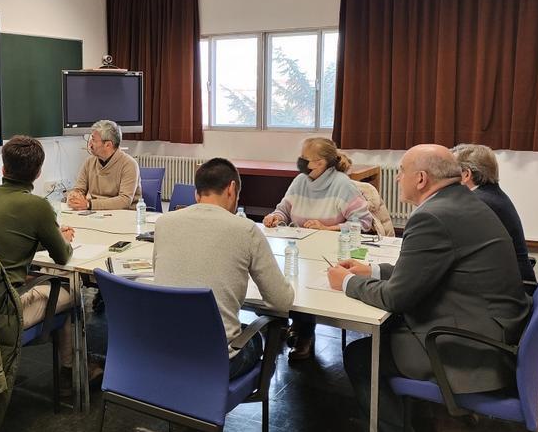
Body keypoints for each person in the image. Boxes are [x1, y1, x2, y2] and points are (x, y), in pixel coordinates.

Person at [327, 144, 531, 432]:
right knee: (387, 331)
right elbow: (427, 271)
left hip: (473, 348)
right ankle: (425, 415)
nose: (397, 179)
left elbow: (396, 297)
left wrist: (346, 282)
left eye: (401, 172)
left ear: (421, 178)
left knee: (361, 356)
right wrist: (371, 270)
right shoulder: (463, 201)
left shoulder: (431, 216)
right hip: (494, 326)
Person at [0, 135, 99, 382]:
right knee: (74, 290)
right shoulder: (38, 207)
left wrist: (39, 239)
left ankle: (69, 366)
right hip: (6, 307)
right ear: (38, 174)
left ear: (3, 168)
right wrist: (62, 237)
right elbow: (62, 256)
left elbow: (11, 238)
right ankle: (72, 370)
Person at [153, 158, 295, 379]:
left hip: (163, 352)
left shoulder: (164, 223)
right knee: (255, 337)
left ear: (196, 193)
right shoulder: (246, 229)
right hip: (217, 363)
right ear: (231, 189)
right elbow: (281, 301)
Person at [262, 137, 373, 360]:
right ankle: (289, 325)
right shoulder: (300, 181)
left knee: (308, 286)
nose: (301, 162)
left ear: (321, 163)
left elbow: (363, 223)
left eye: (306, 159)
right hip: (299, 249)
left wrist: (328, 227)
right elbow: (283, 209)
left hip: (330, 254)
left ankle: (304, 333)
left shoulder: (343, 185)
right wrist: (274, 217)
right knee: (282, 279)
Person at [452, 143, 535, 282]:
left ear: (466, 174)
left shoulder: (479, 202)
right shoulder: (491, 194)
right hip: (511, 277)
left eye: (451, 171)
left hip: (508, 287)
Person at [67, 120, 141, 210]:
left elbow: (124, 200)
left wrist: (89, 204)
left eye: (93, 140)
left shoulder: (129, 164)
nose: (90, 144)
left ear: (108, 145)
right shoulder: (89, 162)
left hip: (124, 216)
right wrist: (74, 195)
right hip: (95, 215)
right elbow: (79, 189)